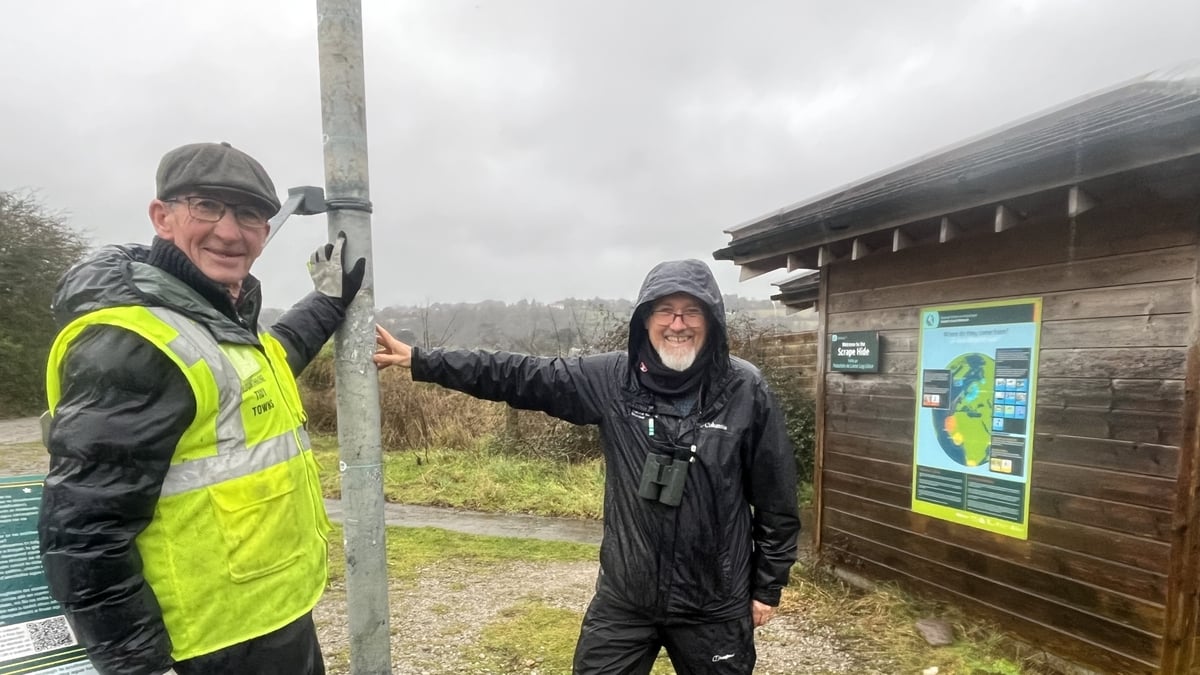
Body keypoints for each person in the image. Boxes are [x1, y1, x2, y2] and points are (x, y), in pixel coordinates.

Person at [374, 259, 800, 674]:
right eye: (665, 311)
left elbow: (776, 499)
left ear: (711, 320)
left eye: (691, 311)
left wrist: (767, 587)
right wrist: (422, 361)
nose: (677, 324)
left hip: (714, 603)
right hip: (626, 599)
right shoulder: (612, 379)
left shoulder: (745, 388)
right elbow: (519, 374)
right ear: (644, 320)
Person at [38, 141, 365, 675]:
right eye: (206, 207)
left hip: (269, 621)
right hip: (201, 648)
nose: (230, 231)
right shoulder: (135, 344)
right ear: (162, 217)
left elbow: (271, 359)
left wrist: (326, 301)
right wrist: (138, 665)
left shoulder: (211, 320)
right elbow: (83, 531)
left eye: (250, 213)